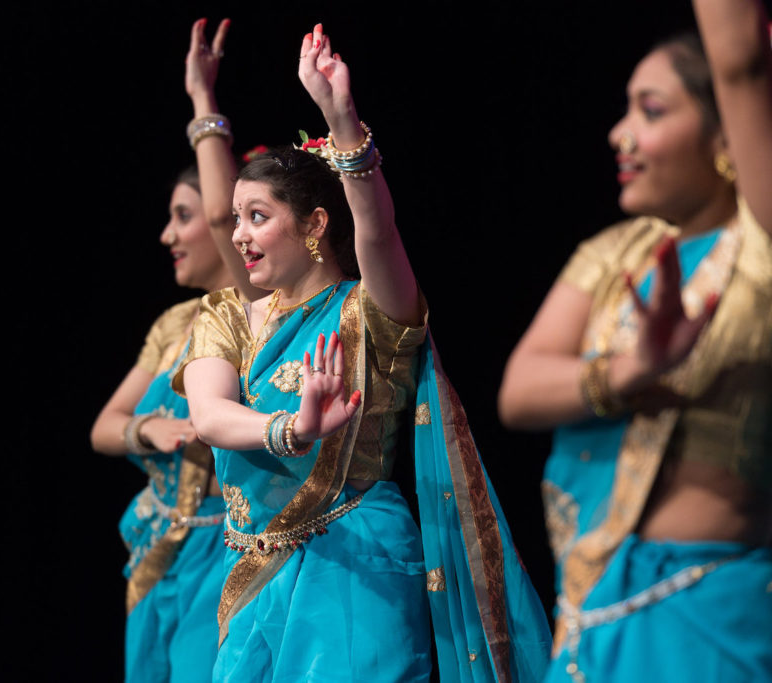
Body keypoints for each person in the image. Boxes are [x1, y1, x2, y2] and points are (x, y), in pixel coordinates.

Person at [498, 0, 772, 680]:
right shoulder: (615, 253)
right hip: (590, 615)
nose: (619, 133)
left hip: (711, 623)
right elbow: (518, 392)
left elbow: (742, 60)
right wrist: (633, 367)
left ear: (730, 136)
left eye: (652, 109)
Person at [175, 23, 552, 683]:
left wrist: (340, 118)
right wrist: (291, 429)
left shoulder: (372, 313)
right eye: (236, 220)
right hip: (255, 575)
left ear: (315, 224)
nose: (239, 236)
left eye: (258, 217)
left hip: (357, 567)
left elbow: (377, 229)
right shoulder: (226, 317)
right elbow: (208, 416)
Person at [90, 17, 264, 682]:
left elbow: (226, 214)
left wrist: (203, 102)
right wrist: (149, 426)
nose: (168, 234)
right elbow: (103, 427)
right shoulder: (173, 324)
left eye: (183, 215)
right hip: (157, 551)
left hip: (227, 554)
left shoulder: (262, 314)